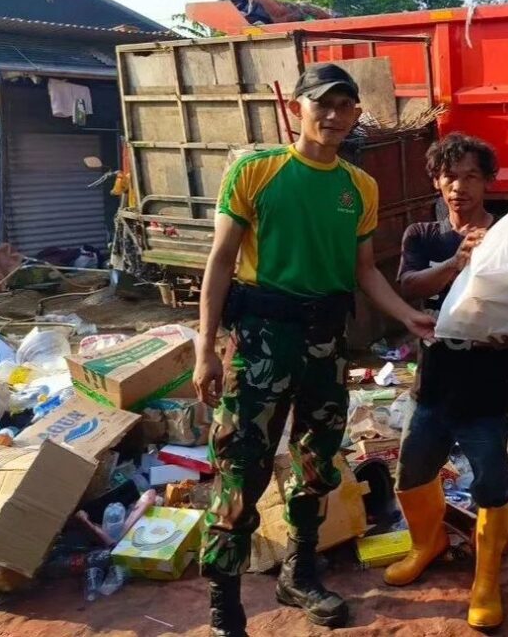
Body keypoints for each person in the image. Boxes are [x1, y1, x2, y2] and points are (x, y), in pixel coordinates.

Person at [193, 63, 435, 637]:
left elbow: (362, 272)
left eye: (344, 106)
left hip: (328, 343)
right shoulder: (257, 171)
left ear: (356, 115)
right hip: (260, 341)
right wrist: (205, 348)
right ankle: (225, 605)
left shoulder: (360, 186)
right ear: (297, 108)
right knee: (241, 467)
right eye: (321, 103)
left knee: (317, 461)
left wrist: (404, 314)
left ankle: (300, 572)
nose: (332, 115)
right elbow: (221, 261)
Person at [382, 132, 508, 630]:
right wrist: (455, 263)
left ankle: (486, 579)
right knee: (412, 470)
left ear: (487, 181)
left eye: (471, 176)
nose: (460, 187)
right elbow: (408, 285)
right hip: (434, 384)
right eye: (451, 176)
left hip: (487, 390)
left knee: (491, 479)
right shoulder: (423, 236)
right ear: (437, 181)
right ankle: (429, 542)